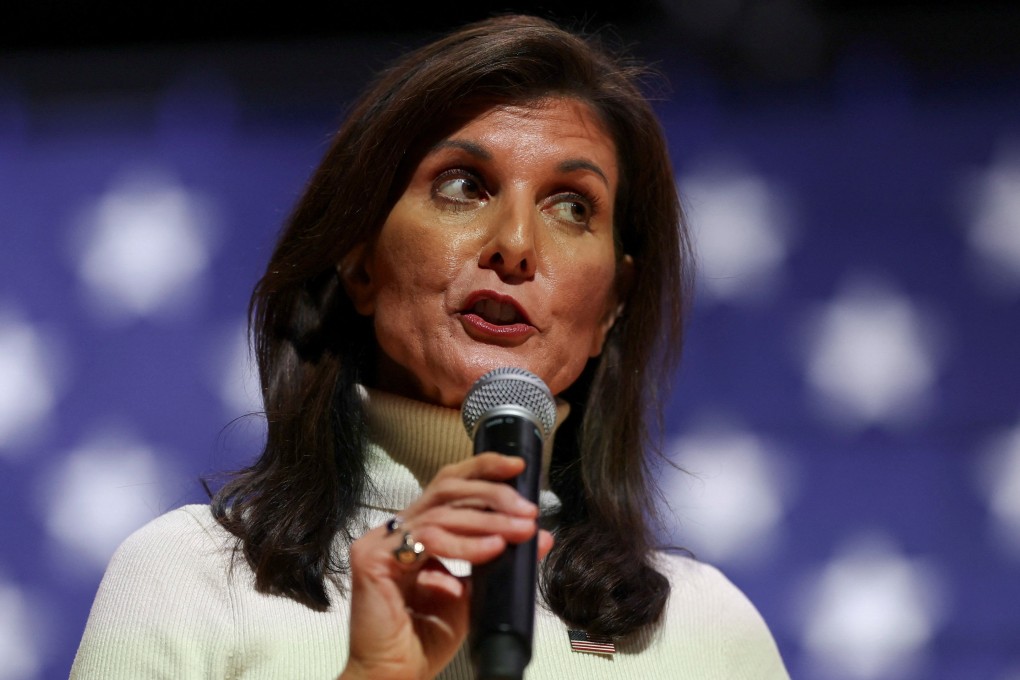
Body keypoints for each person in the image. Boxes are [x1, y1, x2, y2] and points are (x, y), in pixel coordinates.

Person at [71, 13, 789, 680]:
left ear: (612, 306)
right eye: (462, 186)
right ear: (360, 259)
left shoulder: (704, 630)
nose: (515, 245)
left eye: (572, 206)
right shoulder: (188, 577)